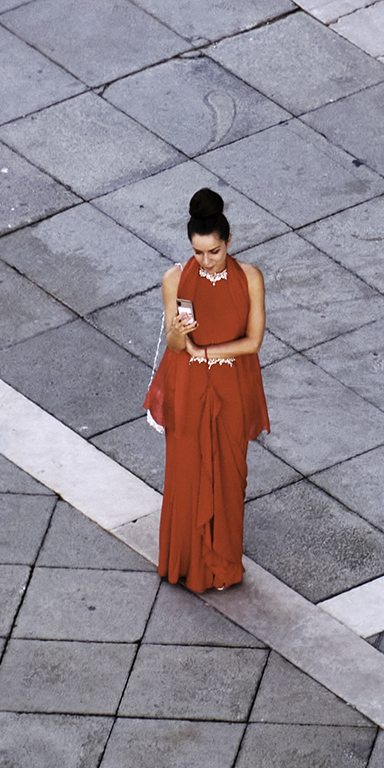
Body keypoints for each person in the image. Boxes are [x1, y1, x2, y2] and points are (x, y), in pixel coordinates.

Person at [144, 187, 269, 592]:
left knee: (231, 475)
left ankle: (223, 563)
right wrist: (180, 336)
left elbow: (253, 341)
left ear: (228, 241)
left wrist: (206, 352)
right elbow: (176, 346)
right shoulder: (174, 279)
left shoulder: (250, 278)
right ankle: (187, 564)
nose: (205, 260)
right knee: (188, 473)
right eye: (198, 252)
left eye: (213, 251)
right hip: (190, 387)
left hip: (230, 385)